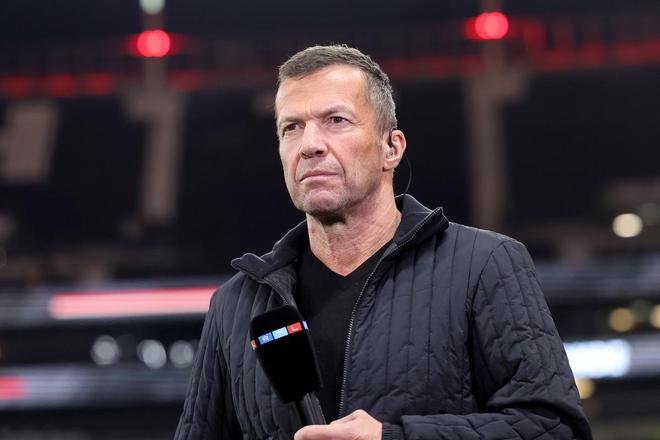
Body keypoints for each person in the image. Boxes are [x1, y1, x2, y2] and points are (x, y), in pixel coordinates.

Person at [174, 44, 592, 440]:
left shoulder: (485, 264)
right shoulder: (236, 303)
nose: (310, 145)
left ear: (391, 148)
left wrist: (393, 437)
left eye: (336, 120)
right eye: (291, 127)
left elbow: (555, 429)